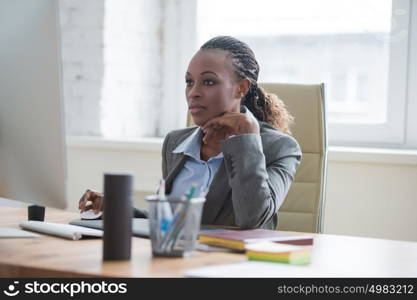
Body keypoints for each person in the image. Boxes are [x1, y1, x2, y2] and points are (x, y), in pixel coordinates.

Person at [79, 36, 302, 230]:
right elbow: (177, 224)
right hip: (174, 262)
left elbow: (253, 219)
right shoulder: (175, 143)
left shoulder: (279, 148)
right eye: (189, 82)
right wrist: (119, 208)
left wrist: (247, 140)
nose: (193, 93)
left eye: (208, 81)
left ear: (241, 88)